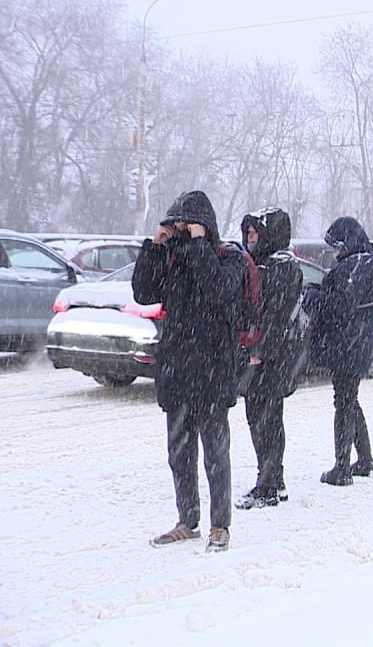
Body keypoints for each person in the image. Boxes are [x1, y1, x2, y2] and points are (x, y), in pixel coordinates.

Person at [133, 190, 246, 553]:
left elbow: (218, 290)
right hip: (178, 371)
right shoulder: (173, 258)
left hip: (212, 373)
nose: (180, 231)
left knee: (216, 453)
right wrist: (155, 245)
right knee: (179, 453)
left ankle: (220, 525)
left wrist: (199, 244)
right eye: (177, 225)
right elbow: (143, 293)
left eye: (187, 224)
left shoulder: (228, 258)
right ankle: (187, 520)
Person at [303, 217, 373, 485]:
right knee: (349, 399)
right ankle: (365, 460)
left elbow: (340, 305)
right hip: (357, 342)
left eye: (336, 246)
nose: (334, 253)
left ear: (347, 243)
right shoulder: (370, 262)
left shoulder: (357, 267)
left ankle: (342, 468)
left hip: (347, 344)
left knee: (344, 402)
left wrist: (313, 297)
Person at [235, 208, 303, 510]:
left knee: (267, 419)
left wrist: (258, 350)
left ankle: (270, 482)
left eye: (254, 234)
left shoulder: (280, 267)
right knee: (259, 416)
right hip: (265, 355)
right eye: (247, 234)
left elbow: (273, 315)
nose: (249, 240)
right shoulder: (265, 264)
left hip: (270, 358)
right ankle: (272, 477)